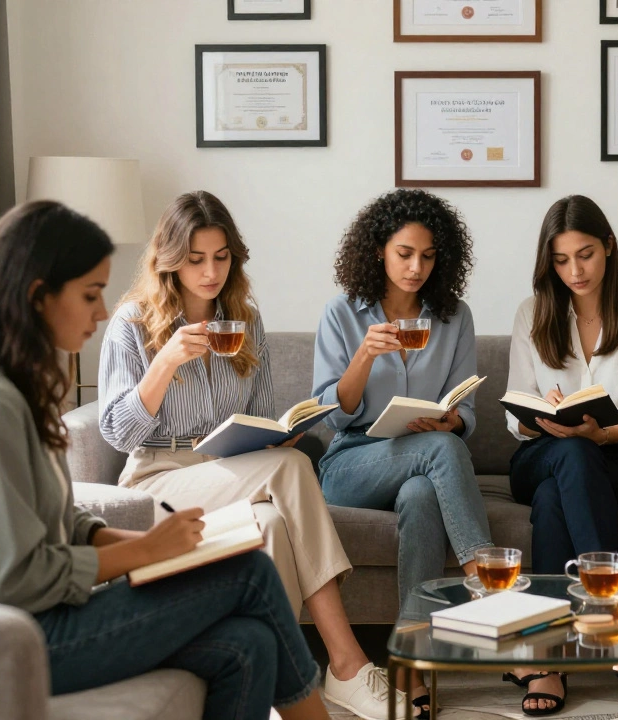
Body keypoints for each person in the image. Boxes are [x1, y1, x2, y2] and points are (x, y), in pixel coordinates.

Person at [0, 201, 329, 720]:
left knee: (249, 643)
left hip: (33, 615)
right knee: (249, 574)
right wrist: (144, 555)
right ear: (38, 297)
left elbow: (61, 522)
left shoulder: (14, 389)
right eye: (89, 294)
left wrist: (151, 545)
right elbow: (18, 579)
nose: (103, 313)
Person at [98, 191, 395, 719]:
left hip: (232, 469)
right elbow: (118, 433)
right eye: (196, 259)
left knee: (272, 522)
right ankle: (346, 662)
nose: (210, 271)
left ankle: (269, 688)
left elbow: (260, 414)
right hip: (158, 476)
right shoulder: (132, 323)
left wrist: (278, 433)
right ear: (170, 260)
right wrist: (164, 362)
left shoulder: (244, 320)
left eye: (221, 256)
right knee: (293, 468)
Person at [313, 188, 493, 717]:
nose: (417, 267)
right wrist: (364, 357)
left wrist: (452, 419)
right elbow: (333, 413)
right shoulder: (343, 313)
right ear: (378, 251)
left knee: (421, 491)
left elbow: (469, 411)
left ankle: (412, 662)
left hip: (422, 457)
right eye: (405, 253)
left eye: (429, 256)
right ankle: (491, 590)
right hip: (351, 461)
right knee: (437, 452)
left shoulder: (453, 316)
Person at [504, 195, 618, 715]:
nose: (574, 270)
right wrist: (543, 413)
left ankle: (549, 662)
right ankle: (610, 608)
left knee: (564, 483)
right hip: (540, 455)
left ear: (609, 249)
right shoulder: (533, 312)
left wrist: (602, 435)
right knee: (567, 458)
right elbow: (514, 418)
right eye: (560, 260)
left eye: (585, 255)